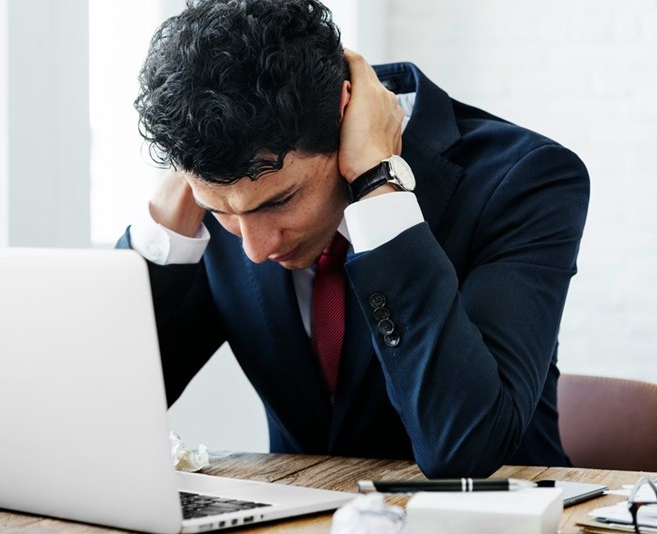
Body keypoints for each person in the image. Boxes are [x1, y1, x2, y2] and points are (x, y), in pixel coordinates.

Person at [117, 0, 589, 478]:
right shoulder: (221, 188)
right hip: (300, 510)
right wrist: (164, 228)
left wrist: (379, 186)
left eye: (280, 201)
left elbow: (465, 448)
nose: (255, 248)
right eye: (222, 210)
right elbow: (106, 413)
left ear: (343, 115)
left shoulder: (526, 181)